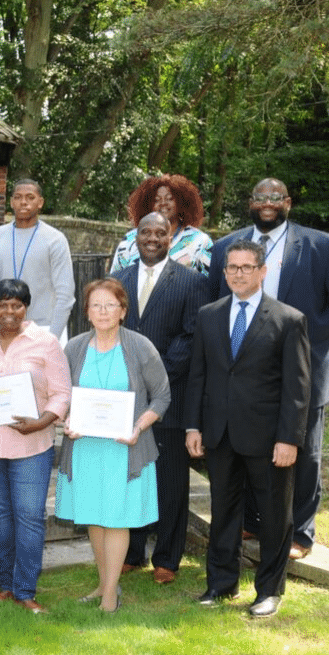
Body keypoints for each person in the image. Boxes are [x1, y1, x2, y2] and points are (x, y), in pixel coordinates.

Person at [208, 178, 329, 559]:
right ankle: (252, 519)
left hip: (305, 364)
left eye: (275, 197)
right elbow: (216, 298)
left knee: (303, 450)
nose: (267, 203)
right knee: (247, 443)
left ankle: (301, 533)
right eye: (260, 197)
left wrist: (314, 332)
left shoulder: (323, 246)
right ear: (250, 202)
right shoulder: (226, 247)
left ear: (288, 202)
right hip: (246, 366)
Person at [186, 240, 311, 618]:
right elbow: (198, 376)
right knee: (224, 511)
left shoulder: (289, 319)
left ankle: (269, 590)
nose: (238, 273)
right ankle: (221, 584)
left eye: (246, 267)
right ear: (223, 273)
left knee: (275, 516)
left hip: (269, 438)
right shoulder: (209, 315)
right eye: (232, 268)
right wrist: (194, 426)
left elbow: (298, 387)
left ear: (262, 271)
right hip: (220, 434)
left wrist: (289, 438)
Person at [55, 277, 170, 613]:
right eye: (96, 305)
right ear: (87, 312)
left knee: (116, 518)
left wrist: (137, 427)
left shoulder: (140, 346)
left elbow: (162, 396)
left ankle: (109, 596)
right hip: (87, 447)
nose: (103, 311)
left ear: (123, 311)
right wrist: (68, 421)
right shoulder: (74, 348)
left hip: (125, 447)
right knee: (94, 515)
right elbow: (64, 396)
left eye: (110, 305)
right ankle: (105, 584)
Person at [0, 279, 71, 614]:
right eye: (2, 305)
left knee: (29, 518)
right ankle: (5, 586)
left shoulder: (46, 342)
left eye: (17, 305)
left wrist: (41, 423)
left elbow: (62, 393)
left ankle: (26, 590)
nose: (9, 312)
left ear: (26, 307)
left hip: (32, 445)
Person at [115, 213, 209, 583]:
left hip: (169, 398)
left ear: (172, 238)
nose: (152, 238)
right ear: (135, 237)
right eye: (145, 232)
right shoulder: (118, 281)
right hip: (125, 400)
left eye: (160, 233)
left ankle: (167, 558)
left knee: (170, 482)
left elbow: (191, 336)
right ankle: (133, 551)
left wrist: (154, 378)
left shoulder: (190, 283)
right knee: (132, 476)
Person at [0, 179, 75, 340]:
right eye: (18, 197)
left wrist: (53, 336)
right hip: (4, 326)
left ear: (40, 202)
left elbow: (66, 294)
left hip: (43, 327)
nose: (23, 202)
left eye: (30, 197)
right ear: (11, 202)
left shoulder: (55, 239)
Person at [110, 174, 213, 275]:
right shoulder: (130, 240)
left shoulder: (199, 241)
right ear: (148, 205)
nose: (163, 203)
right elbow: (114, 281)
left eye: (170, 198)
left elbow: (209, 284)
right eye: (156, 200)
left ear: (181, 202)